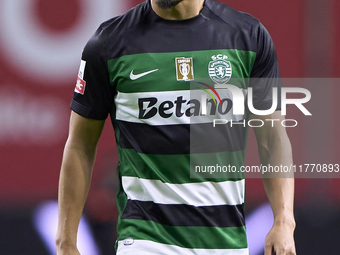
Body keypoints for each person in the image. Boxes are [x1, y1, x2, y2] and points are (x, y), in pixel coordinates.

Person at [56, 0, 296, 254]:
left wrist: (284, 219)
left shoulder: (248, 36)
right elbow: (80, 145)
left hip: (226, 243)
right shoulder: (108, 43)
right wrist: (66, 242)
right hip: (144, 241)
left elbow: (272, 137)